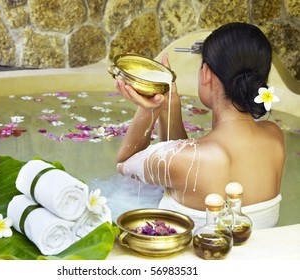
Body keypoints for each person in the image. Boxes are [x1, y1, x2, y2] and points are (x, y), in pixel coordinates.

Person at [114, 22, 285, 229]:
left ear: (206, 73)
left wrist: (149, 109)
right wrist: (169, 103)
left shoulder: (186, 159)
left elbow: (124, 163)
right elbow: (180, 165)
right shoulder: (275, 138)